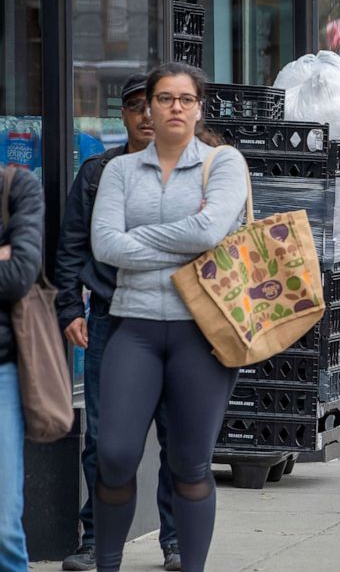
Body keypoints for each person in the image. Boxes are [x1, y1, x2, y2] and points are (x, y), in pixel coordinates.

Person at [89, 62, 248, 572]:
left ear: (199, 108)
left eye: (184, 99)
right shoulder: (117, 171)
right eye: (164, 99)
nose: (174, 107)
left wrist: (140, 244)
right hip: (132, 327)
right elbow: (104, 245)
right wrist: (182, 244)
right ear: (148, 109)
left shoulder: (223, 164)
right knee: (114, 455)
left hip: (201, 334)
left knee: (190, 464)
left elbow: (209, 232)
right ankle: (107, 563)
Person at [55, 75, 181, 571]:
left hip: (180, 320)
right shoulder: (97, 173)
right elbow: (70, 249)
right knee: (106, 440)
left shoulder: (195, 169)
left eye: (152, 105)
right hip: (112, 317)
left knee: (177, 436)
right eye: (135, 108)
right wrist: (69, 309)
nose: (146, 116)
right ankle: (96, 540)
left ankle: (176, 541)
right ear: (124, 116)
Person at [0, 165, 44, 572]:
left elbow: (17, 276)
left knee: (3, 526)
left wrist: (9, 261)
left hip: (3, 370)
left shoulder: (17, 186)